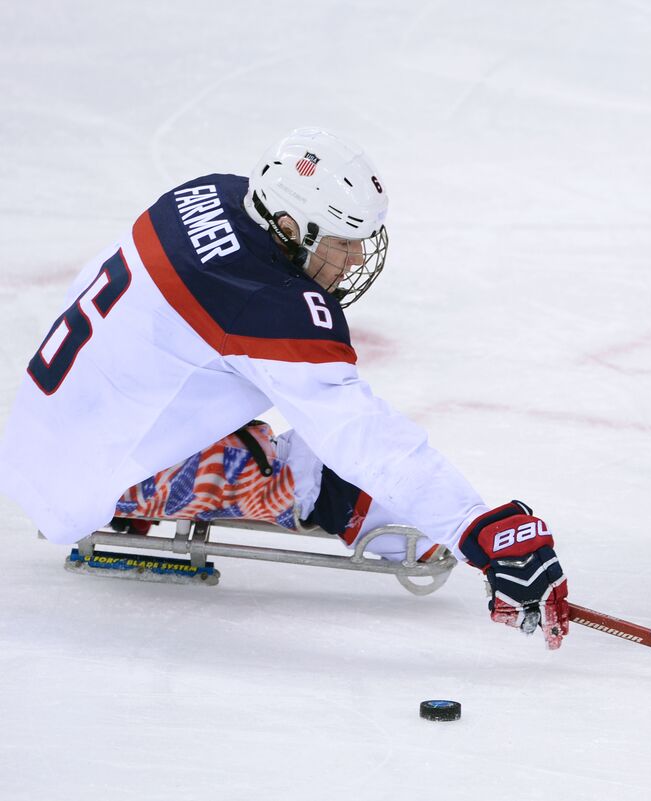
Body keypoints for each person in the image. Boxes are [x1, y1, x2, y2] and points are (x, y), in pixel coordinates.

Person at [0, 128, 569, 645]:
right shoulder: (263, 303)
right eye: (343, 241)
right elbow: (358, 433)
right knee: (296, 468)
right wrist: (477, 527)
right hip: (74, 482)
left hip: (59, 423)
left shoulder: (210, 194)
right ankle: (315, 497)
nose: (355, 258)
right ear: (292, 227)